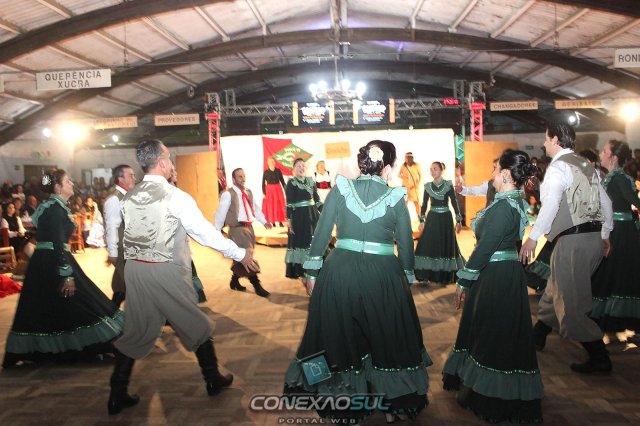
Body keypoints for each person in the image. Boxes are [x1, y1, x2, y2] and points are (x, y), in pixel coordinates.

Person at [108, 140, 259, 415]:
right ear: (161, 162)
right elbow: (204, 233)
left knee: (136, 330)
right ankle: (212, 378)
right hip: (165, 271)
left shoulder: (129, 196)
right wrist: (239, 254)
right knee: (196, 323)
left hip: (136, 271)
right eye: (168, 157)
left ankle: (116, 394)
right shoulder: (174, 196)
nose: (171, 163)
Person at [284, 140, 431, 424]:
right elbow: (405, 243)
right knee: (388, 337)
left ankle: (341, 404)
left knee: (336, 336)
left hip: (339, 273)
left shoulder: (340, 189)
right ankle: (394, 402)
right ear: (387, 167)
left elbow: (321, 232)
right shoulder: (395, 196)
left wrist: (312, 271)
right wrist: (407, 274)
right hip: (383, 276)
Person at [443, 149, 543, 423]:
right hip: (500, 272)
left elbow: (485, 247)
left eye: (495, 169)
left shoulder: (503, 207)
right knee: (497, 331)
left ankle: (494, 396)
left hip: (497, 275)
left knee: (494, 333)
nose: (492, 175)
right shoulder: (512, 201)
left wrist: (464, 280)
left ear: (506, 174)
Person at [3, 170, 124, 368]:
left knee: (53, 305)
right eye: (67, 181)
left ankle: (63, 348)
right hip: (55, 262)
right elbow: (58, 243)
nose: (71, 183)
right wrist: (66, 274)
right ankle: (89, 344)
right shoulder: (55, 210)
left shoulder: (53, 207)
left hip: (47, 261)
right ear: (58, 187)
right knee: (81, 301)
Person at [519, 123, 614, 374]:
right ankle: (538, 335)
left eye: (546, 139)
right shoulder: (586, 165)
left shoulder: (559, 167)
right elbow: (606, 202)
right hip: (591, 240)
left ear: (556, 140)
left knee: (572, 303)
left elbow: (550, 205)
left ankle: (599, 356)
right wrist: (604, 234)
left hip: (573, 243)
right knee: (555, 290)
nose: (544, 143)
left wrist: (533, 238)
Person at [591, 140, 640, 336]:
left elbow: (634, 202)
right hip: (613, 230)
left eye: (604, 151)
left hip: (621, 233)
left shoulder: (619, 178)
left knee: (618, 273)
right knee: (612, 274)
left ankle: (622, 319)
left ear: (614, 157)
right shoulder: (611, 177)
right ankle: (611, 319)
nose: (600, 154)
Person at [214, 168, 273, 298]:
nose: (243, 179)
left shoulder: (248, 192)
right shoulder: (228, 194)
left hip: (249, 228)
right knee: (247, 257)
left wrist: (264, 221)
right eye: (239, 176)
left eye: (244, 176)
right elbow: (221, 213)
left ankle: (234, 281)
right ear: (233, 179)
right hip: (237, 229)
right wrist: (216, 231)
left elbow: (255, 209)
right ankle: (257, 285)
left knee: (241, 257)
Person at [414, 162, 464, 285]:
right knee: (429, 244)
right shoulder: (428, 186)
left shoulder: (448, 185)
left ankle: (443, 275)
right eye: (431, 169)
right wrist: (422, 221)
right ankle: (426, 274)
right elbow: (424, 205)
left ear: (441, 170)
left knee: (444, 245)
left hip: (446, 219)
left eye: (435, 169)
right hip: (432, 218)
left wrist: (458, 220)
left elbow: (454, 202)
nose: (432, 171)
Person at [103, 164, 136, 308]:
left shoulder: (127, 196)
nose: (134, 178)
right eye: (131, 175)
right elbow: (111, 227)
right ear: (120, 179)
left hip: (130, 248)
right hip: (123, 250)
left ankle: (112, 315)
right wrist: (113, 253)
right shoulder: (114, 200)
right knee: (132, 285)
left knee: (121, 286)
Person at [285, 158, 321, 279]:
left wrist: (325, 211)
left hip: (313, 216)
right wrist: (289, 221)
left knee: (313, 242)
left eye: (303, 166)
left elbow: (317, 200)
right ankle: (302, 270)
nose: (301, 168)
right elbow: (289, 204)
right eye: (298, 166)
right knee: (302, 242)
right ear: (294, 169)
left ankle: (314, 268)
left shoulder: (311, 181)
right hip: (299, 218)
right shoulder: (291, 183)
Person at [261, 156, 286, 227]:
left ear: (274, 163)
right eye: (270, 161)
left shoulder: (278, 171)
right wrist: (264, 193)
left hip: (278, 189)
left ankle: (280, 221)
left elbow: (282, 181)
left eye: (273, 161)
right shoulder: (266, 172)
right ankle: (273, 222)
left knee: (279, 205)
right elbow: (263, 183)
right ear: (268, 163)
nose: (271, 163)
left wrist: (286, 190)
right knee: (271, 206)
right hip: (269, 191)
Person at [398, 152, 422, 217]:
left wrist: (417, 184)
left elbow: (420, 176)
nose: (405, 159)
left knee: (416, 202)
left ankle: (420, 216)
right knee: (405, 203)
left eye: (406, 157)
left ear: (410, 158)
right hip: (405, 187)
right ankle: (403, 217)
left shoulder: (416, 165)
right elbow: (399, 174)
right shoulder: (403, 165)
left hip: (414, 187)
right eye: (405, 158)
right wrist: (404, 177)